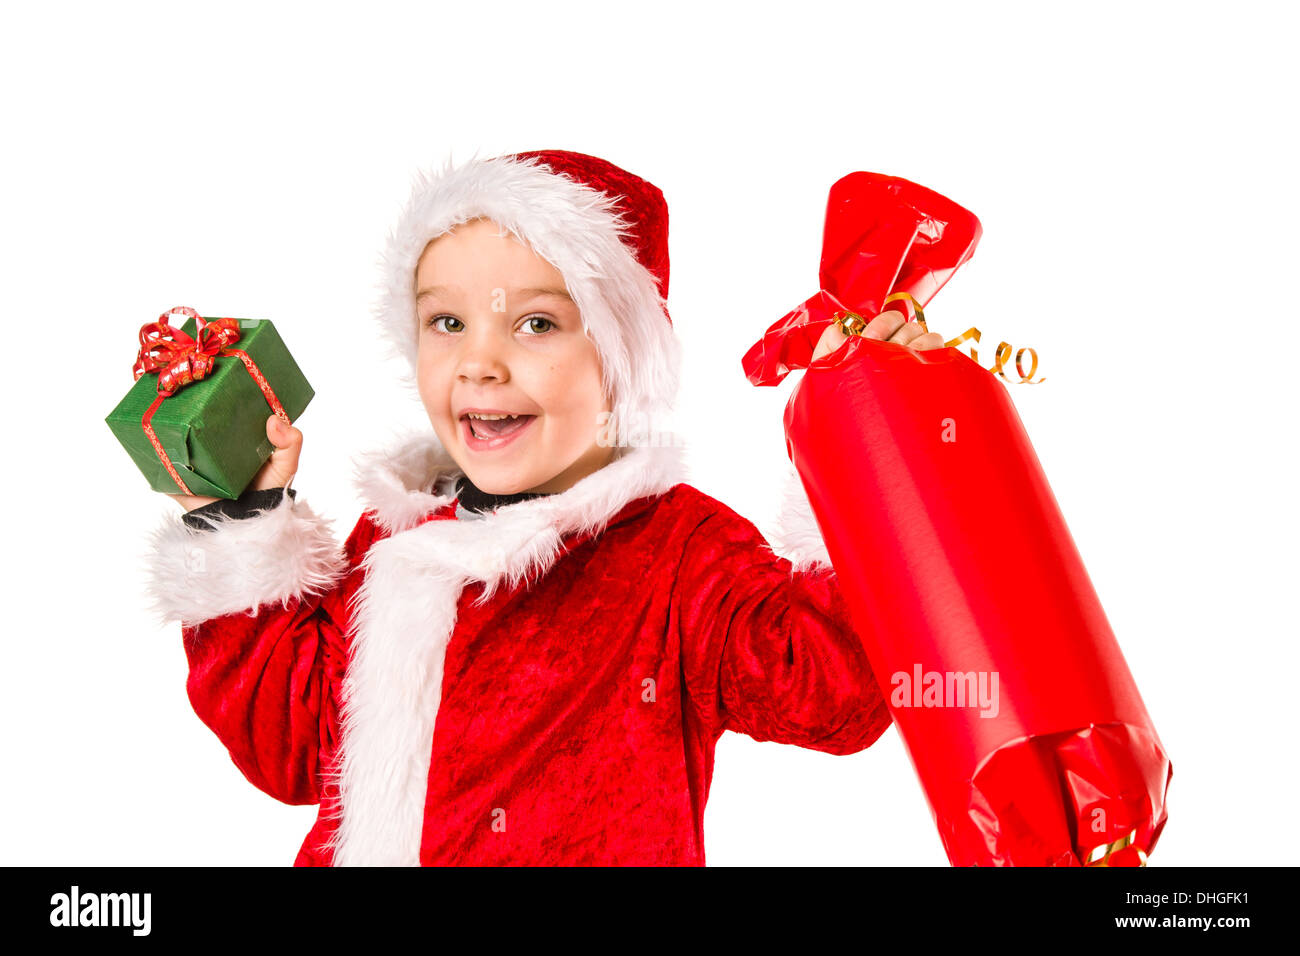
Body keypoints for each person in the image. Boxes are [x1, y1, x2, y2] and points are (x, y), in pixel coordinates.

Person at [147, 149, 945, 866]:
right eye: (446, 322)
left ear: (618, 357)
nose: (479, 363)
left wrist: (871, 450)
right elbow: (293, 749)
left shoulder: (680, 554)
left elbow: (831, 690)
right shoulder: (397, 537)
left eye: (535, 323)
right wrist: (245, 527)